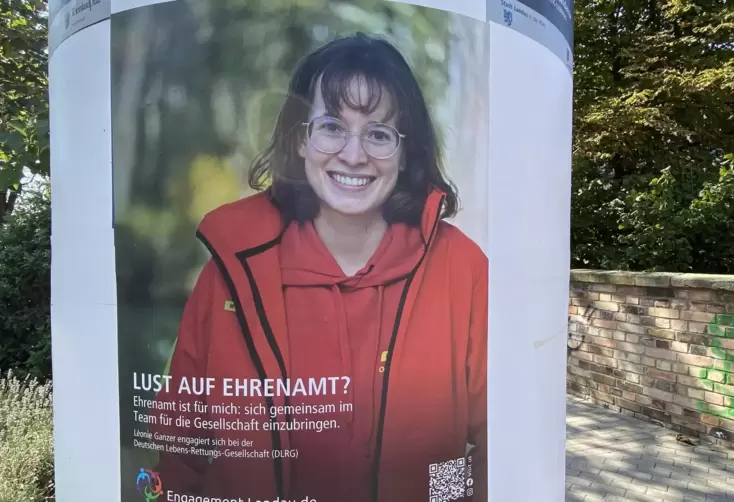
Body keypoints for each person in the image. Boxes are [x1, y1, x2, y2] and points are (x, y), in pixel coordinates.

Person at [151, 32, 488, 502]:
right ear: (301, 141)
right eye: (331, 126)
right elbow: (178, 449)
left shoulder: (462, 269)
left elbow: (494, 441)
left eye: (378, 133)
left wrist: (436, 493)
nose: (353, 155)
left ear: (406, 151)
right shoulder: (232, 270)